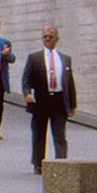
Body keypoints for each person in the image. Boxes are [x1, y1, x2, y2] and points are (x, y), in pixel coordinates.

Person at [21, 26, 77, 175]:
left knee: (59, 134)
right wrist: (26, 93)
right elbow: (25, 78)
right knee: (39, 134)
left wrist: (72, 104)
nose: (47, 39)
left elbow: (69, 82)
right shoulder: (34, 58)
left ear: (57, 39)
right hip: (41, 100)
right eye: (44, 36)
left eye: (50, 37)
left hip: (59, 100)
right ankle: (38, 163)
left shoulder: (65, 59)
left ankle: (61, 162)